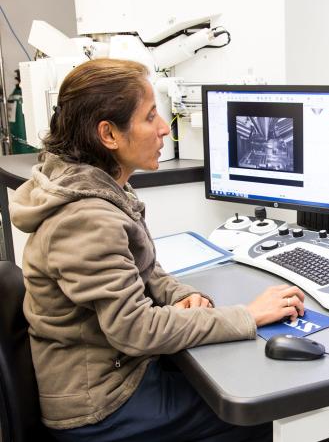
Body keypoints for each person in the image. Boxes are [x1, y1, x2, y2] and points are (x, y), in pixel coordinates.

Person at [9, 58, 305, 441]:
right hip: (101, 408)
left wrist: (183, 294)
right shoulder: (86, 217)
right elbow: (135, 330)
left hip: (118, 371)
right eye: (151, 117)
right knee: (264, 414)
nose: (165, 128)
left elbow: (144, 268)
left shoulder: (98, 183)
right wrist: (248, 314)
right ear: (109, 134)